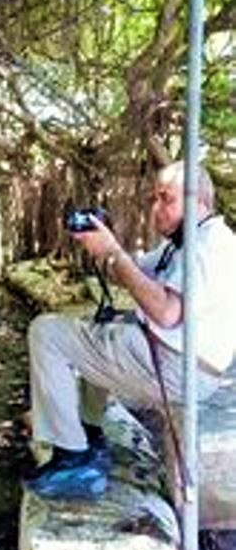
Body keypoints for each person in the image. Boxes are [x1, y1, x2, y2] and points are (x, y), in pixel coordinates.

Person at [24, 160, 236, 500]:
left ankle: (73, 461)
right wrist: (106, 248)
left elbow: (166, 313)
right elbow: (131, 270)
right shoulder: (183, 243)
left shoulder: (210, 245)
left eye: (166, 199)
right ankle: (90, 435)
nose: (156, 209)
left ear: (199, 200)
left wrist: (113, 254)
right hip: (174, 360)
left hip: (179, 369)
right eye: (154, 199)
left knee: (46, 332)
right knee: (98, 329)